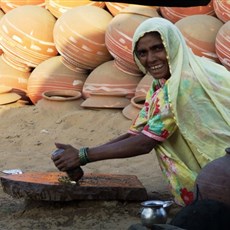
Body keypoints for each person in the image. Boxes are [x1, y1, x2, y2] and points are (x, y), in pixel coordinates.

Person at [51, 17, 230, 206]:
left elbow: (145, 143)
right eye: (142, 52)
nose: (151, 59)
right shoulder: (162, 83)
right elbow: (137, 132)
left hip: (223, 167)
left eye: (157, 48)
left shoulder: (183, 83)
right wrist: (82, 156)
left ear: (172, 44)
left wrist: (83, 156)